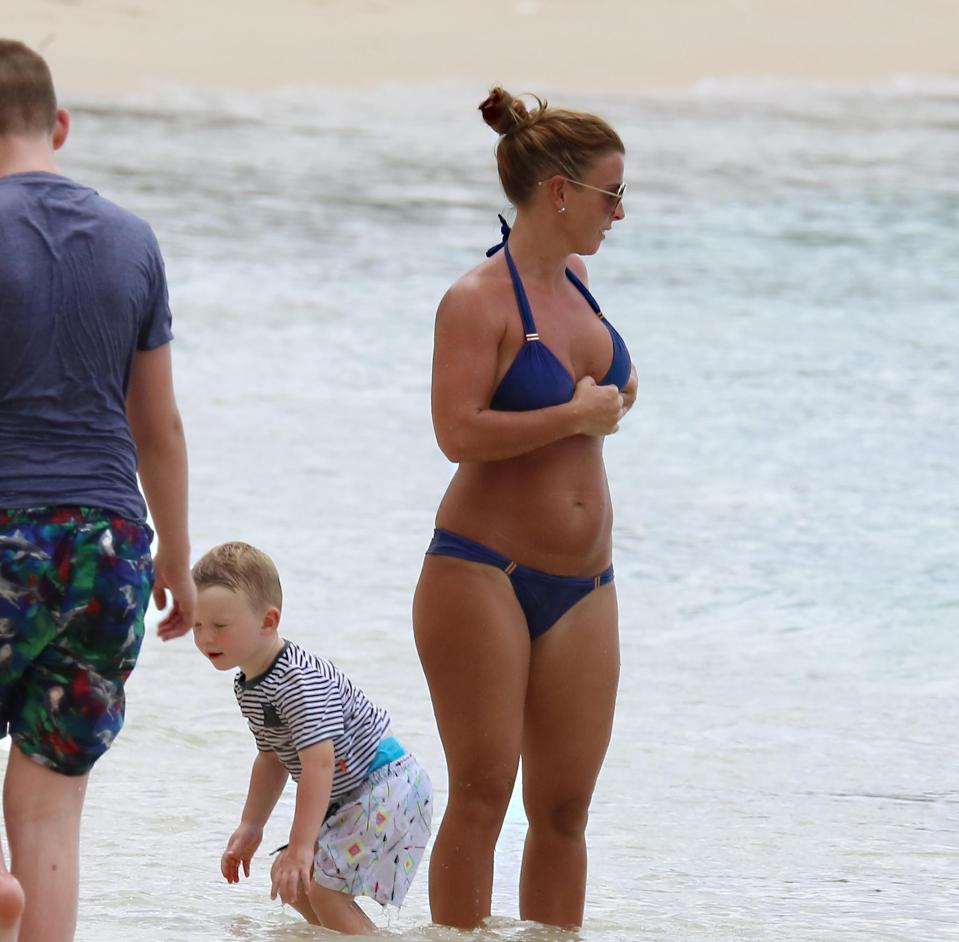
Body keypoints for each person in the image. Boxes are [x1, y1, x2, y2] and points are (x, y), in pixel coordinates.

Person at [412, 86, 638, 930]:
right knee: (481, 794)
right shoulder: (475, 301)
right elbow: (456, 430)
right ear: (559, 192)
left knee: (566, 810)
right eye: (611, 195)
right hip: (482, 571)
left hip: (586, 583)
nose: (619, 214)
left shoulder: (578, 286)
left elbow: (598, 396)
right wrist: (575, 415)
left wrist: (614, 397)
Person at [0, 38, 195, 942]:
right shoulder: (132, 239)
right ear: (60, 126)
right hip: (112, 542)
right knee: (52, 805)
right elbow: (158, 426)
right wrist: (180, 561)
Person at [191, 541, 433, 934]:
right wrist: (251, 826)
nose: (205, 638)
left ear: (268, 622)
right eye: (198, 625)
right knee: (294, 885)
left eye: (220, 626)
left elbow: (317, 763)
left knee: (320, 885)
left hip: (387, 785)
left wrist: (302, 847)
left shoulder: (298, 680)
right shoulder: (249, 684)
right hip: (353, 793)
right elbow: (271, 758)